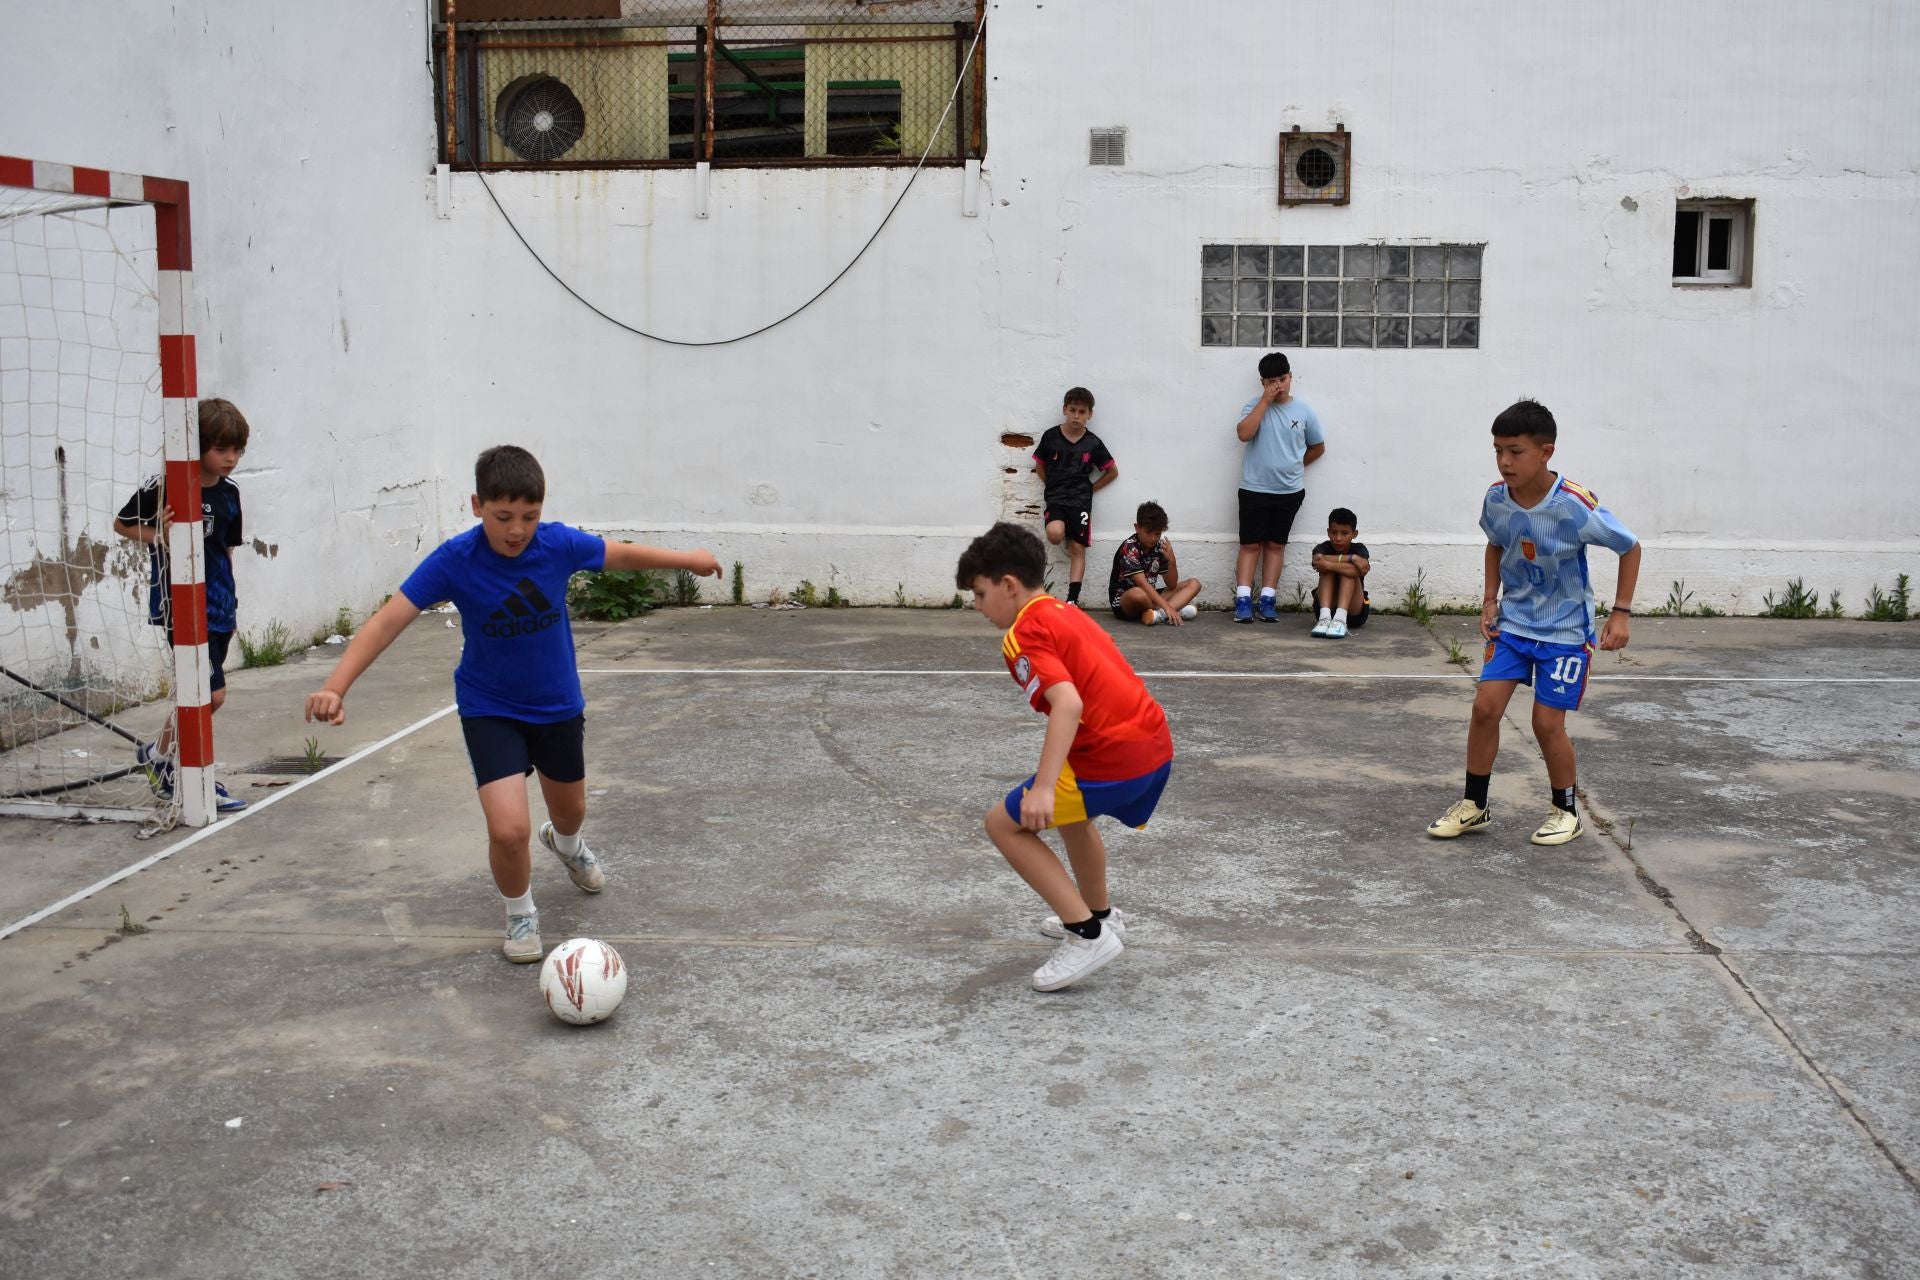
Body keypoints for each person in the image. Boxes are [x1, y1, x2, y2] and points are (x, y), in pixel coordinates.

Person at [303, 445, 721, 962]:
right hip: (489, 706)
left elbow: (623, 554)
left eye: (529, 516)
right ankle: (520, 914)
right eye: (503, 517)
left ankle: (566, 844)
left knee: (570, 811)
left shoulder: (558, 545)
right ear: (477, 505)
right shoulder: (455, 560)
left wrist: (691, 561)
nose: (517, 529)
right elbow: (389, 620)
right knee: (508, 830)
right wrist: (335, 686)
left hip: (557, 705)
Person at [958, 522, 1174, 991]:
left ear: (1008, 585)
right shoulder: (1065, 611)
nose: (976, 606)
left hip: (1112, 755)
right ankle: (1101, 915)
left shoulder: (1022, 633)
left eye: (978, 593)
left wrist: (1041, 786)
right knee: (1075, 816)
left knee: (1003, 823)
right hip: (1152, 743)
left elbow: (1068, 704)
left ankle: (1085, 934)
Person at [1427, 400, 1641, 847]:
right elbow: (1494, 543)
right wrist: (1490, 599)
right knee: (1485, 709)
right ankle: (1474, 805)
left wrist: (1620, 613)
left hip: (1564, 633)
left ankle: (1566, 811)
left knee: (1547, 723)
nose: (1505, 461)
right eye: (1498, 451)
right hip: (1515, 625)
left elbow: (1629, 546)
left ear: (1546, 452)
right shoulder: (1496, 498)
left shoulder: (1573, 504)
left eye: (1515, 451)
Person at [112, 397, 252, 813]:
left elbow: (226, 549)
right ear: (199, 446)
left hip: (218, 608)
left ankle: (159, 758)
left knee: (200, 693)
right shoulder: (168, 486)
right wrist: (159, 535)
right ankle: (186, 772)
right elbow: (121, 523)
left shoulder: (230, 495)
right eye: (221, 449)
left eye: (237, 450)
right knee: (212, 695)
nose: (230, 459)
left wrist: (231, 605)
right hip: (182, 607)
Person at [1232, 352, 1325, 623]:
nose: (1278, 386)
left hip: (1289, 492)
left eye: (1282, 379)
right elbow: (1243, 434)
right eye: (1271, 381)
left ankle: (1269, 599)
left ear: (1290, 377)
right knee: (1250, 545)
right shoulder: (1253, 406)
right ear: (1262, 382)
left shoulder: (1304, 411)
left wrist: (1295, 467)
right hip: (1254, 489)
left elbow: (1318, 446)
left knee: (1275, 545)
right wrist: (1265, 400)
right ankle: (1243, 600)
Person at [1032, 387, 1118, 606]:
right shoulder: (1051, 437)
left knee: (1078, 549)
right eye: (1073, 410)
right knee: (1054, 533)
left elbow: (1112, 472)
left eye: (1082, 412)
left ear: (1090, 414)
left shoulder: (1093, 443)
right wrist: (1051, 485)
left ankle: (1072, 600)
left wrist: (1091, 489)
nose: (1077, 416)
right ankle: (1065, 536)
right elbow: (1040, 465)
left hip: (1080, 502)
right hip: (1057, 499)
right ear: (1065, 410)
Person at [1109, 500, 1204, 627]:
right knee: (1138, 594)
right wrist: (1167, 607)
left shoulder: (1159, 547)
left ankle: (1158, 615)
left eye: (1157, 534)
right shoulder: (1130, 547)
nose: (1153, 538)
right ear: (1137, 528)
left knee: (1194, 583)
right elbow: (1142, 584)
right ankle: (1172, 610)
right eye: (1148, 532)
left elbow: (1171, 584)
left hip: (1150, 598)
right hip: (1125, 601)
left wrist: (1172, 561)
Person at [1308, 507, 1371, 638]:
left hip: (1354, 613)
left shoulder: (1359, 549)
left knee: (1348, 572)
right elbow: (1318, 561)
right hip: (1326, 609)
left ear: (1355, 534)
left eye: (1344, 533)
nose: (1338, 538)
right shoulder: (1323, 547)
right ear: (1328, 532)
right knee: (1329, 570)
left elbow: (1360, 569)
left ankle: (1340, 620)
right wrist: (1350, 558)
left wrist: (1329, 563)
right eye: (1333, 532)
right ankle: (1325, 619)